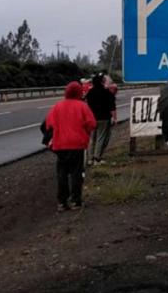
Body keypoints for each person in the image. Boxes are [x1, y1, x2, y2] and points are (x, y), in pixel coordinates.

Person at [42, 81, 97, 211]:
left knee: (62, 173)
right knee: (76, 173)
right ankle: (76, 201)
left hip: (60, 145)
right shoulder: (82, 106)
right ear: (79, 92)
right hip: (77, 145)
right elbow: (92, 124)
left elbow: (48, 124)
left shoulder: (57, 106)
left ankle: (62, 202)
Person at [85, 73, 117, 165]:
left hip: (92, 118)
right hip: (104, 118)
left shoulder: (90, 93)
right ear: (101, 82)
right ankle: (97, 158)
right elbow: (112, 107)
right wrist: (114, 119)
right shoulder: (106, 92)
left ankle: (90, 159)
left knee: (92, 139)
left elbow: (87, 105)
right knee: (101, 138)